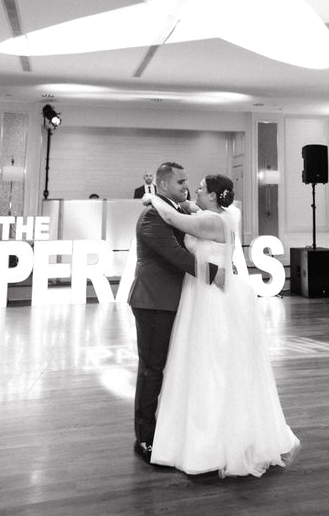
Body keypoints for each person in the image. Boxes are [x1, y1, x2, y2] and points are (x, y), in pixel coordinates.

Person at [149, 174, 300, 477]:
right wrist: (182, 200)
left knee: (211, 362)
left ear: (214, 197)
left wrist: (154, 194)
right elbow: (190, 207)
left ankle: (213, 442)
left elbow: (171, 216)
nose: (196, 192)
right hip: (205, 291)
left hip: (211, 298)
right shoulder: (220, 215)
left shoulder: (212, 222)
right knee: (208, 361)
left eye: (202, 189)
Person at [128, 162, 224, 464]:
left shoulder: (176, 210)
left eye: (187, 181)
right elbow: (177, 255)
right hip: (154, 301)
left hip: (173, 301)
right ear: (164, 184)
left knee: (168, 368)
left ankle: (169, 430)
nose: (186, 185)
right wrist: (216, 273)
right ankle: (144, 438)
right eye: (181, 181)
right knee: (151, 369)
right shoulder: (153, 216)